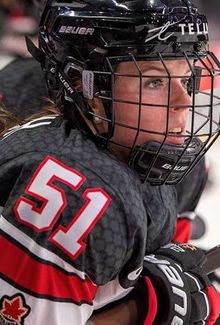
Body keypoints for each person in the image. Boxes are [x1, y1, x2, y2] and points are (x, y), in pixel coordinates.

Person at [0, 0, 220, 324]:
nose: (185, 102)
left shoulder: (168, 164)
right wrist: (141, 309)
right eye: (155, 82)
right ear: (86, 89)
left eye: (187, 79)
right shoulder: (72, 199)